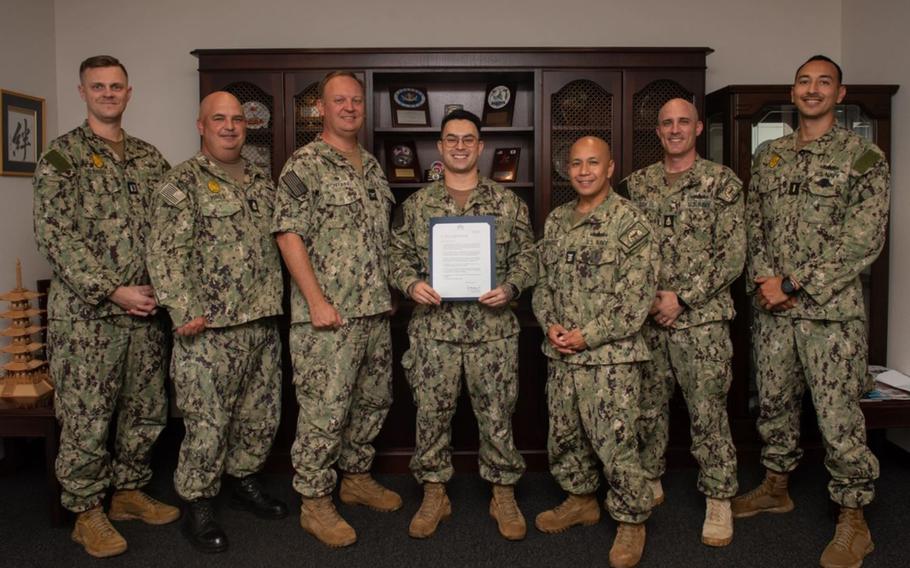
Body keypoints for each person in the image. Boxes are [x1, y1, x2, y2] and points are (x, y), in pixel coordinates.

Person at [735, 55, 889, 568]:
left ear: (840, 95)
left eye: (824, 82)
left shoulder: (862, 156)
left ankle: (853, 518)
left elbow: (863, 240)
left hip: (830, 317)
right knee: (774, 405)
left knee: (839, 418)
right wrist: (765, 282)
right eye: (805, 81)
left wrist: (795, 284)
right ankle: (777, 486)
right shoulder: (770, 156)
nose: (813, 89)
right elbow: (753, 225)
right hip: (773, 311)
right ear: (793, 90)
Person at [32, 55, 178, 558]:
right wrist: (113, 289)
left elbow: (167, 232)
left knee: (145, 409)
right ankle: (86, 511)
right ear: (83, 92)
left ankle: (129, 491)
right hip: (89, 318)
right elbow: (55, 236)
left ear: (129, 93)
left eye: (116, 86)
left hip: (145, 312)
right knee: (87, 415)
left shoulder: (149, 158)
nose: (108, 94)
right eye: (99, 86)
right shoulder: (62, 157)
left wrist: (163, 287)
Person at [146, 91, 287, 553]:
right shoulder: (180, 182)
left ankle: (243, 480)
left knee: (259, 415)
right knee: (207, 422)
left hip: (261, 319)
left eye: (237, 120)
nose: (230, 126)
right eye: (219, 119)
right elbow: (165, 252)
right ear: (200, 125)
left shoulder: (262, 180)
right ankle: (199, 502)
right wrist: (184, 310)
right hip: (208, 328)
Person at [389, 110, 537, 540]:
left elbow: (530, 257)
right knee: (431, 415)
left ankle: (503, 491)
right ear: (440, 147)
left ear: (480, 146)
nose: (459, 146)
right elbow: (395, 258)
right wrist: (411, 284)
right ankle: (435, 491)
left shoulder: (508, 203)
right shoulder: (417, 206)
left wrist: (510, 287)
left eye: (468, 139)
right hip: (434, 333)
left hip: (492, 333)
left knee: (497, 415)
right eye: (451, 139)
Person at [273, 71, 400, 548]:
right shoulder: (304, 164)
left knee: (371, 401)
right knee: (324, 411)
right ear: (320, 109)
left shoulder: (370, 165)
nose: (349, 107)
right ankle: (315, 500)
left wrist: (385, 294)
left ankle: (356, 476)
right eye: (338, 100)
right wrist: (316, 301)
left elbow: (376, 241)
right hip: (327, 319)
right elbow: (289, 235)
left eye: (355, 101)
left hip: (372, 312)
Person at [619, 98, 744, 547]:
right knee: (647, 409)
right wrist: (649, 300)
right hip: (648, 320)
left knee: (708, 412)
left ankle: (718, 497)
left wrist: (683, 298)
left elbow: (732, 255)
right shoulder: (637, 186)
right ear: (658, 131)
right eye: (667, 123)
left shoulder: (722, 183)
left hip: (702, 323)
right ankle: (650, 478)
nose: (675, 129)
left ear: (697, 128)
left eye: (683, 122)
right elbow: (624, 251)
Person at [533, 136, 657, 568]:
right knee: (564, 437)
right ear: (567, 170)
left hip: (610, 360)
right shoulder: (556, 221)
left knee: (617, 444)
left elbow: (636, 300)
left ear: (610, 168)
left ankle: (631, 519)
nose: (584, 171)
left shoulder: (630, 222)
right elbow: (543, 283)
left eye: (593, 163)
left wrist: (587, 334)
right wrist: (549, 322)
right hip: (562, 355)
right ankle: (580, 498)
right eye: (576, 164)